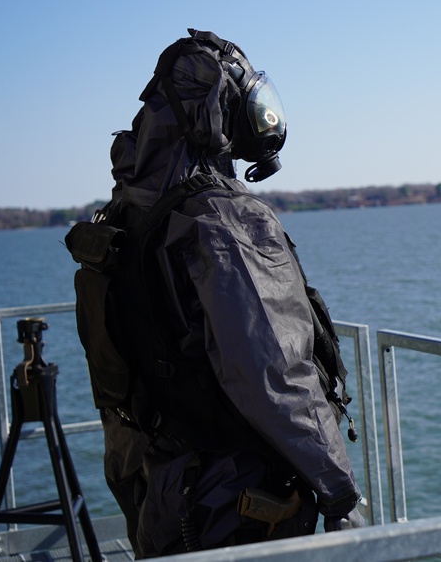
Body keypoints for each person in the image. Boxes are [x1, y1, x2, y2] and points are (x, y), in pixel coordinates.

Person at [80, 29, 364, 556]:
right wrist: (339, 492)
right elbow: (274, 373)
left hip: (160, 485)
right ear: (221, 111)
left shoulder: (129, 216)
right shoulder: (225, 219)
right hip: (234, 501)